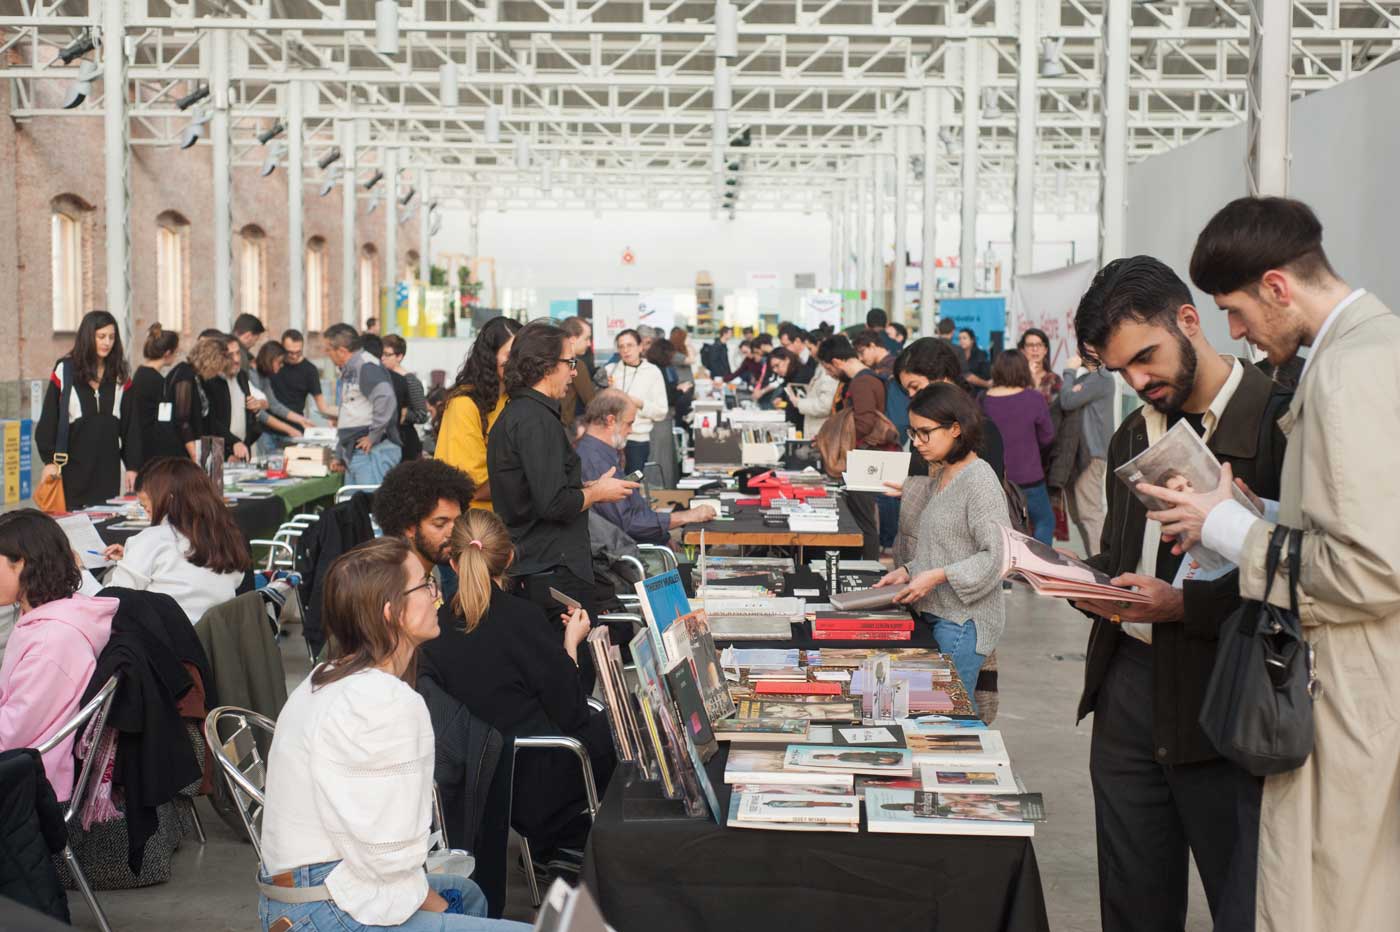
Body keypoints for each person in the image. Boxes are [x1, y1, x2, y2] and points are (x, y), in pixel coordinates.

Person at [1131, 197, 1400, 932]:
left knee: (1334, 901)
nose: (1236, 333)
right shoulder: (1364, 354)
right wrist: (1260, 517)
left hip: (1352, 690)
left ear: (1278, 287)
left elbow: (1374, 571)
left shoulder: (1352, 370)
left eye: (1236, 311)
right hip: (1340, 682)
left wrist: (1226, 529)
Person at [1066, 254, 1288, 932]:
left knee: (1242, 898)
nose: (1138, 381)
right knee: (1133, 897)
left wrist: (1183, 606)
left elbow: (1305, 578)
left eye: (1146, 357)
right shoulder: (1137, 430)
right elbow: (1119, 552)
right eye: (1120, 373)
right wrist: (1081, 582)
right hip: (1129, 688)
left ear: (1189, 320)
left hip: (1232, 692)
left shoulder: (1278, 424)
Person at [258, 537, 527, 932]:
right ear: (391, 612)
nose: (437, 596)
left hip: (296, 893)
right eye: (425, 585)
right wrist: (434, 905)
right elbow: (387, 859)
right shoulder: (385, 701)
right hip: (324, 909)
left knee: (468, 895)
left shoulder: (326, 675)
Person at [419, 510, 617, 864]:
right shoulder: (524, 618)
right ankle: (573, 843)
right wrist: (572, 644)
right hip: (542, 772)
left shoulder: (434, 632)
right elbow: (571, 711)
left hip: (475, 782)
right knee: (611, 725)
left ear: (452, 562)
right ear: (510, 557)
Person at [487, 321, 637, 672]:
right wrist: (596, 493)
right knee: (570, 672)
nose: (574, 373)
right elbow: (553, 503)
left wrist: (588, 490)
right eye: (570, 363)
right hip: (550, 568)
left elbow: (544, 490)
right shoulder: (534, 420)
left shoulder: (525, 415)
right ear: (545, 365)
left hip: (542, 563)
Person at [873, 383, 1008, 706]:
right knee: (937, 710)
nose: (916, 442)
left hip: (962, 621)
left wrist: (937, 576)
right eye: (913, 433)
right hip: (939, 613)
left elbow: (998, 556)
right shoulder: (944, 476)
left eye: (925, 433)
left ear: (956, 429)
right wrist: (908, 570)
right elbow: (944, 548)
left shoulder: (979, 481)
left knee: (948, 715)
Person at [0, 509, 117, 802]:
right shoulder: (56, 614)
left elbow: (11, 735)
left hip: (26, 781)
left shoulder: (51, 642)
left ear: (22, 566)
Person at [100, 457, 250, 623]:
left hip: (166, 644)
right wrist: (133, 556)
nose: (145, 510)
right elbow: (186, 571)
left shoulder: (152, 540)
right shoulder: (226, 538)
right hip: (215, 641)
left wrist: (81, 572)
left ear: (167, 498)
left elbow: (108, 604)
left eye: (145, 505)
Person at [575, 391, 715, 544]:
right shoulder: (595, 460)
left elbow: (631, 512)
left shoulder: (599, 452)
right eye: (629, 423)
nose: (631, 430)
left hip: (639, 540)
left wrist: (664, 532)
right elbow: (628, 523)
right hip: (627, 551)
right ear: (610, 421)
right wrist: (687, 516)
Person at [36, 310, 141, 509]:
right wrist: (49, 461)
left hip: (108, 470)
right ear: (87, 336)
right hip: (72, 470)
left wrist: (133, 466)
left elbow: (131, 426)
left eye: (111, 337)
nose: (107, 342)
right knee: (74, 530)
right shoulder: (65, 370)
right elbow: (49, 418)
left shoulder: (121, 375)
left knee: (104, 527)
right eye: (101, 336)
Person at [817, 334, 896, 560]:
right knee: (863, 518)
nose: (829, 374)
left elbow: (864, 422)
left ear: (837, 362)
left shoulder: (861, 382)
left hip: (863, 457)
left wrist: (838, 442)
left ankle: (867, 571)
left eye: (827, 368)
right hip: (864, 456)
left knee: (862, 521)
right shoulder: (870, 379)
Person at [436, 316, 521, 511]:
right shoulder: (464, 404)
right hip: (476, 524)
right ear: (490, 356)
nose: (517, 362)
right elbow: (471, 484)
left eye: (521, 354)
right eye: (510, 354)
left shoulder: (514, 399)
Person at [893, 338, 1005, 481]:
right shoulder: (919, 424)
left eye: (915, 387)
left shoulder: (983, 430)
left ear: (943, 378)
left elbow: (989, 494)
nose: (911, 395)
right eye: (906, 390)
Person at [372, 458, 476, 599]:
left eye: (458, 522)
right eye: (440, 524)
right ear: (409, 527)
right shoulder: (397, 592)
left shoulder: (419, 576)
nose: (454, 532)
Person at [981, 350, 1055, 545]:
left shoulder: (983, 400)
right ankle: (1038, 568)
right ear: (1023, 370)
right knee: (1044, 521)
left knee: (1004, 530)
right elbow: (1048, 437)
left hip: (995, 478)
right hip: (1029, 475)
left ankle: (1007, 572)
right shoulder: (1034, 398)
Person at [324, 323, 401, 485]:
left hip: (369, 453)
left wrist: (373, 436)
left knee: (368, 506)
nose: (326, 354)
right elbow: (349, 413)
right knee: (355, 507)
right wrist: (340, 453)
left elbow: (386, 398)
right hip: (357, 452)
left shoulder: (366, 367)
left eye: (328, 350)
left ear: (342, 351)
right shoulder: (351, 369)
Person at [1056, 353, 1115, 555]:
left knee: (1089, 514)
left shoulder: (1102, 378)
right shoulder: (1087, 379)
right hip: (1077, 455)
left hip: (1092, 455)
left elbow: (1067, 399)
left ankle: (1102, 570)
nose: (1079, 354)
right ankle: (1094, 561)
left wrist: (1069, 371)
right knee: (1078, 514)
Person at [603, 329, 668, 475]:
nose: (626, 350)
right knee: (610, 484)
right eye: (621, 346)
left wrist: (640, 404)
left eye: (630, 345)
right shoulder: (610, 371)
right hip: (610, 439)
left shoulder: (652, 372)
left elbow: (661, 412)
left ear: (640, 347)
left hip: (638, 439)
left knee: (632, 484)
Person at [128, 324, 184, 469]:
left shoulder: (140, 374)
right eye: (176, 352)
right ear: (167, 353)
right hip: (153, 452)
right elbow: (163, 420)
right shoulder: (157, 381)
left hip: (144, 449)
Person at [202, 333, 264, 462]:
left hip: (242, 451)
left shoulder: (241, 375)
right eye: (230, 355)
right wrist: (229, 450)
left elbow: (247, 414)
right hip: (220, 453)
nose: (236, 359)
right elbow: (210, 422)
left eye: (238, 353)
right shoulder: (210, 380)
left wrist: (255, 409)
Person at [250, 342, 310, 453]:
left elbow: (274, 405)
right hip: (260, 433)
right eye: (280, 362)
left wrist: (301, 420)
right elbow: (260, 413)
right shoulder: (251, 374)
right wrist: (289, 429)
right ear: (270, 359)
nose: (282, 366)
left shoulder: (265, 377)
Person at [380, 334, 429, 462]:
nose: (382, 358)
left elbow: (422, 415)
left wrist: (403, 414)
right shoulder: (380, 378)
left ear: (399, 356)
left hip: (405, 439)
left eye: (387, 354)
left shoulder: (411, 381)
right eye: (381, 354)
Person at [272, 329, 336, 422]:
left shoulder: (310, 370)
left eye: (298, 352)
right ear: (282, 347)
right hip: (270, 424)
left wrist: (331, 420)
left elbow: (320, 402)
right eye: (290, 352)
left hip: (296, 423)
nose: (294, 356)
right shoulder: (273, 364)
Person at [782, 345, 839, 438]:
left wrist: (799, 403)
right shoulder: (820, 368)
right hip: (814, 428)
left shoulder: (828, 373)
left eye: (810, 348)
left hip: (821, 429)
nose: (809, 352)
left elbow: (825, 406)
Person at [558, 317, 597, 433]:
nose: (589, 343)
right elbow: (591, 401)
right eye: (586, 338)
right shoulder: (574, 363)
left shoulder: (551, 359)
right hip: (563, 428)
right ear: (573, 339)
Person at [1018, 327, 1062, 402]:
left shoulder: (1054, 379)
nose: (1035, 349)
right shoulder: (1016, 378)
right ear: (1022, 350)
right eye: (1030, 345)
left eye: (1039, 345)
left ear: (1045, 350)